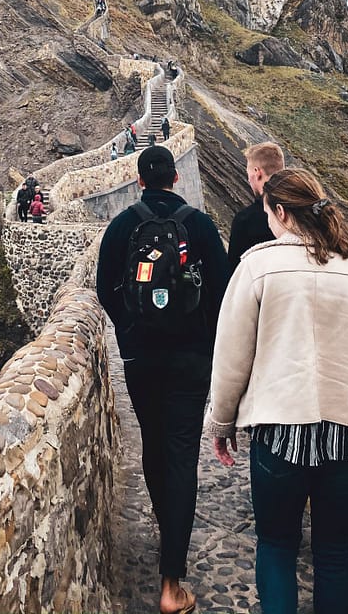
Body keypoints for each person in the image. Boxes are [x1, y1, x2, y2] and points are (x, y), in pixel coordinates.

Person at [206, 169, 348, 614]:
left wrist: (222, 422)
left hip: (279, 429)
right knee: (333, 550)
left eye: (268, 215)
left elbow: (232, 357)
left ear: (281, 212)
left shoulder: (256, 268)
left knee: (277, 544)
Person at [97, 146, 230, 614]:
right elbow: (223, 289)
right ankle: (172, 582)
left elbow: (104, 288)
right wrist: (204, 339)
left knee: (153, 444)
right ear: (175, 178)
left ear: (139, 181)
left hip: (142, 359)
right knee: (181, 454)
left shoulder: (122, 226)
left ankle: (165, 523)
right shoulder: (200, 225)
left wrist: (130, 330)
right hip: (190, 361)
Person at [227, 142, 285, 272]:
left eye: (248, 172)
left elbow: (235, 271)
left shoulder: (245, 220)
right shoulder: (301, 211)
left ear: (257, 172)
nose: (248, 179)